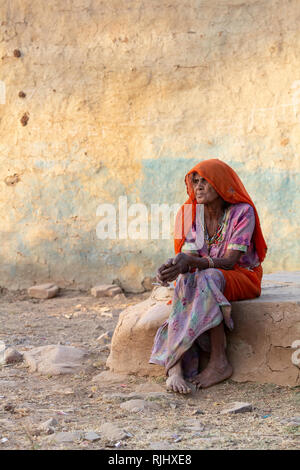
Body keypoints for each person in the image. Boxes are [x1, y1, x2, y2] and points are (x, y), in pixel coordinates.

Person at [149, 158, 267, 394]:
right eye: (195, 181)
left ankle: (219, 361)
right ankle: (175, 368)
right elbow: (190, 259)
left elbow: (231, 261)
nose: (198, 187)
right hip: (209, 276)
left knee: (208, 277)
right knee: (186, 279)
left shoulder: (243, 212)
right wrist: (173, 267)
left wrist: (192, 262)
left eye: (205, 181)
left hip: (241, 276)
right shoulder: (191, 215)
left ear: (221, 184)